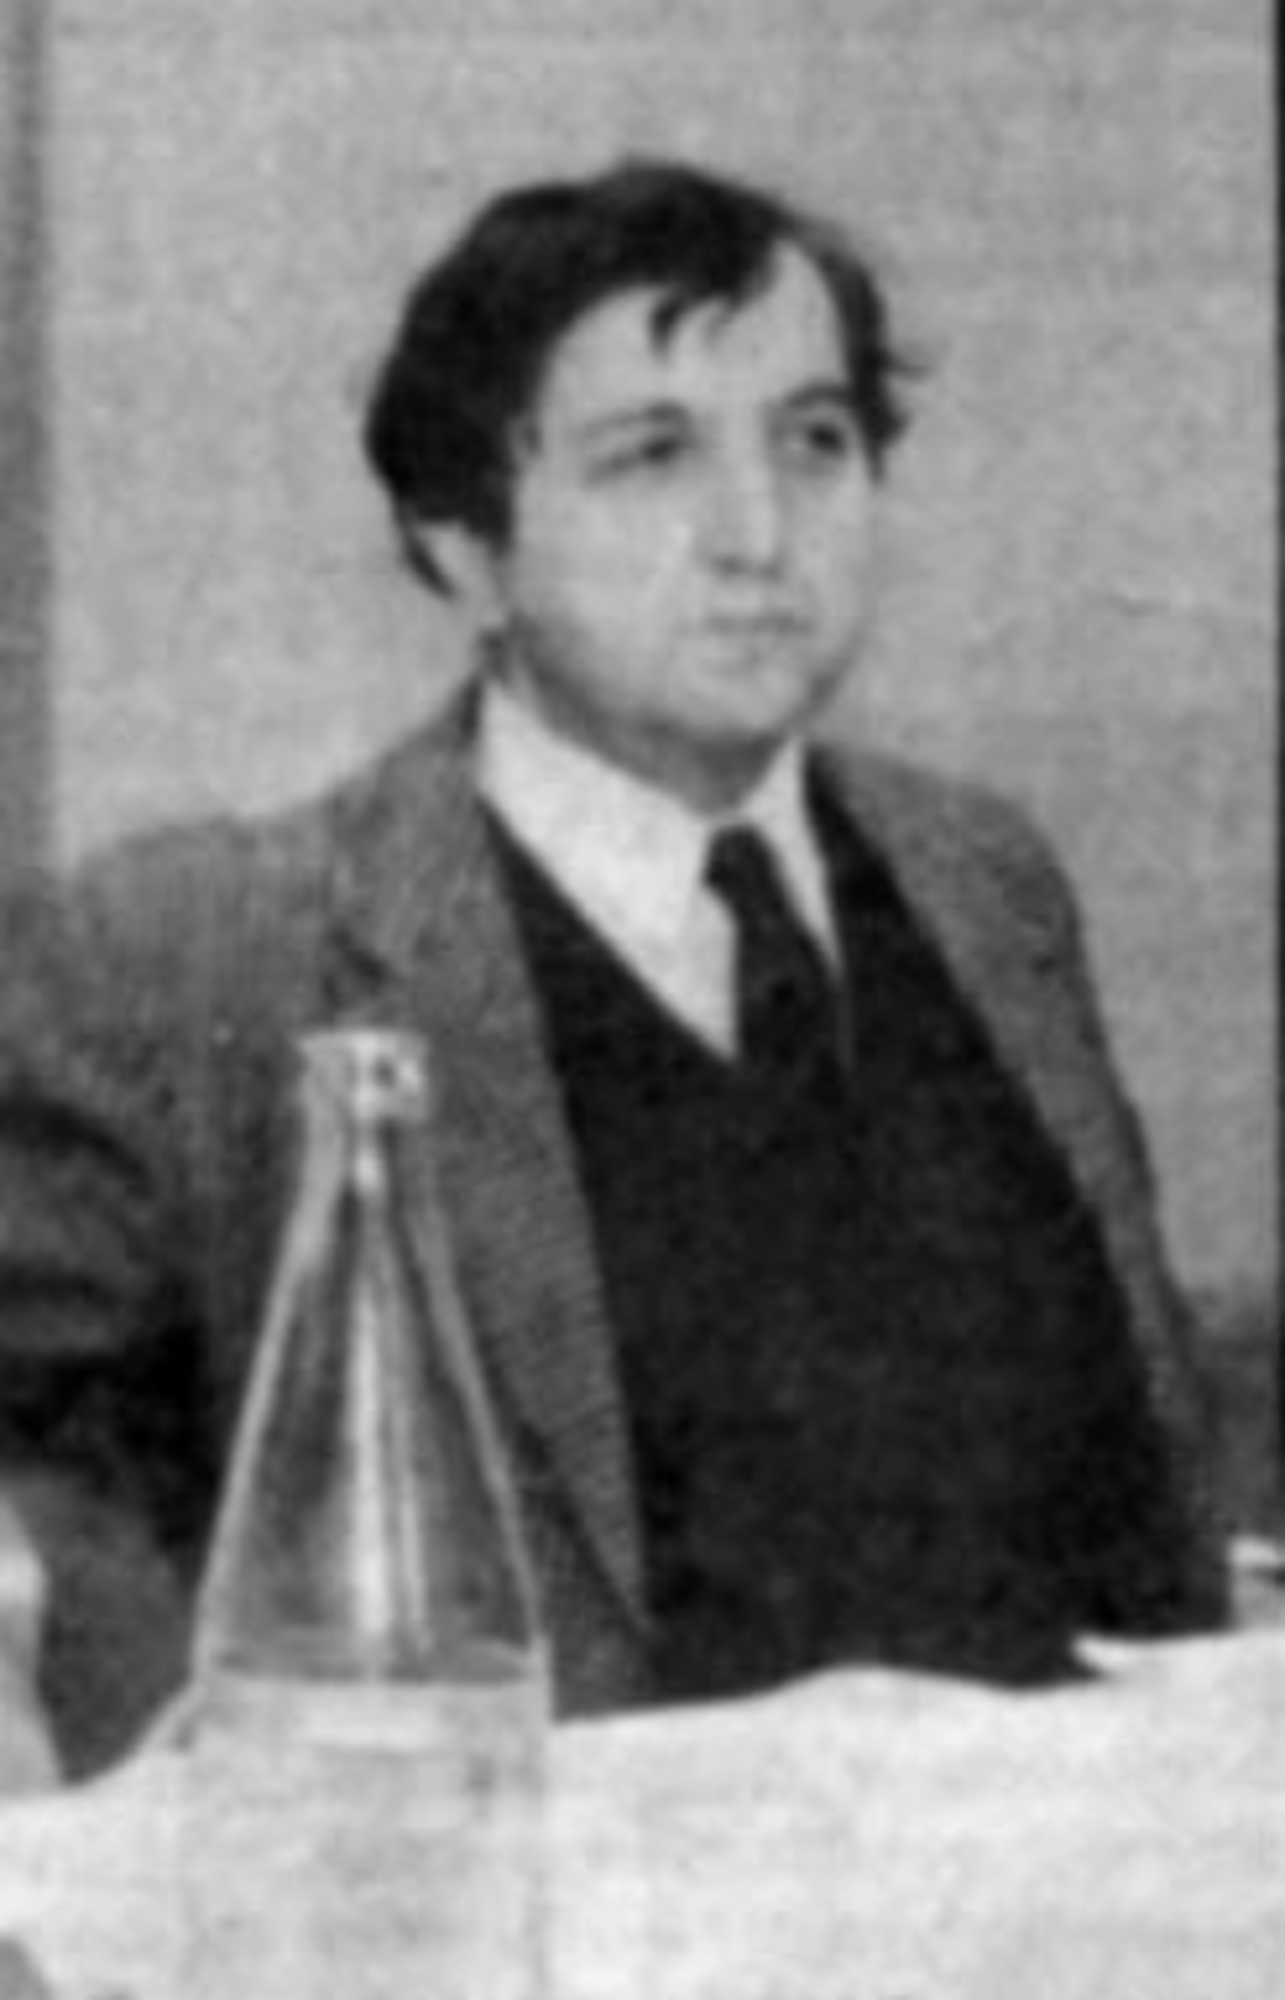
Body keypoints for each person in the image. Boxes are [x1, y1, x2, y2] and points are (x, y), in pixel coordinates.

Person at [0, 159, 1227, 1781]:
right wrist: (233, 1797)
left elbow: (1141, 1487)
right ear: (463, 549)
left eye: (813, 441)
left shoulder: (981, 879)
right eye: (652, 456)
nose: (758, 536)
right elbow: (35, 1479)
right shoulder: (208, 952)